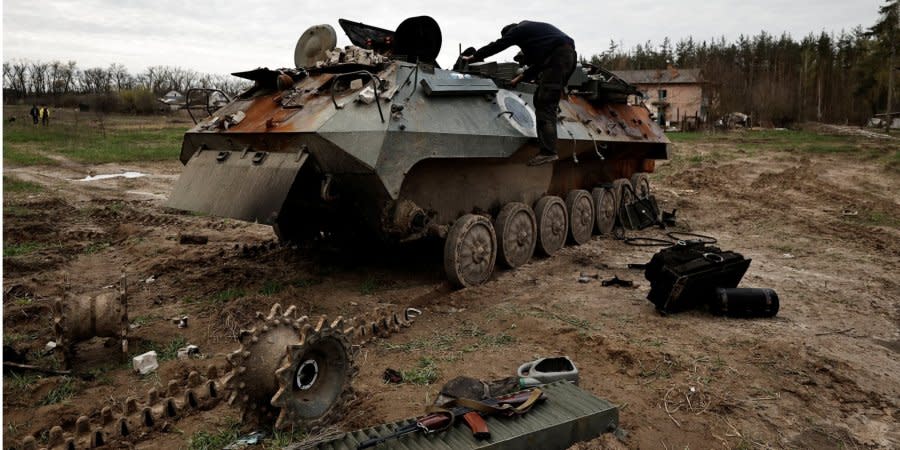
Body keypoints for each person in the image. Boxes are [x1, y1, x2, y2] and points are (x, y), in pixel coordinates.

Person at [463, 21, 577, 166]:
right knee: (543, 99)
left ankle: (548, 151)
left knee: (544, 102)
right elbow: (539, 65)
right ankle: (544, 142)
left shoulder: (520, 30)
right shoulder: (539, 38)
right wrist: (518, 79)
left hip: (560, 58)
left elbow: (498, 45)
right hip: (567, 57)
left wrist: (474, 57)